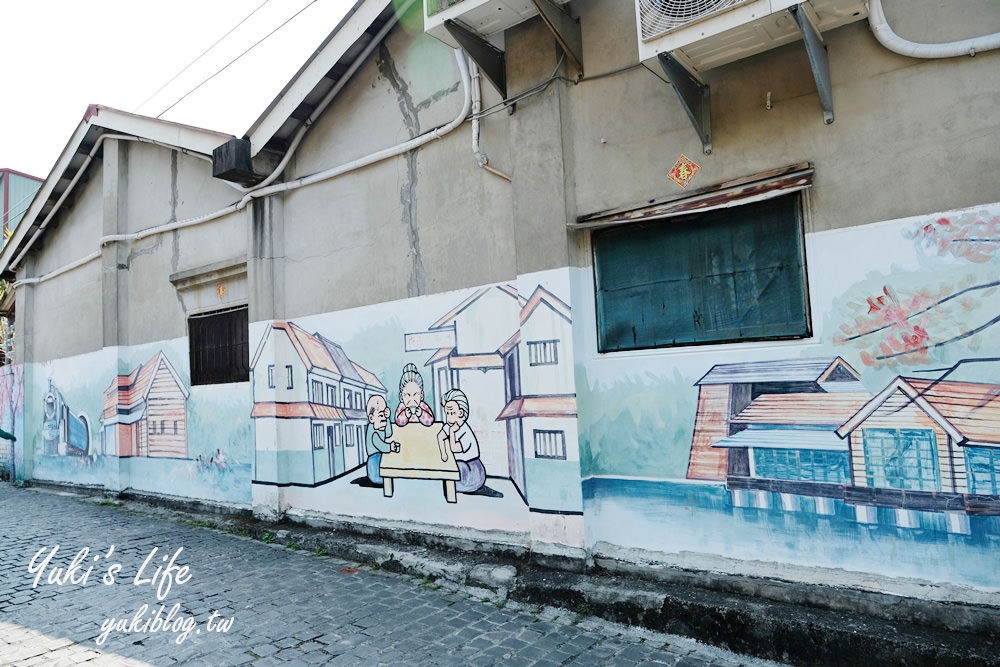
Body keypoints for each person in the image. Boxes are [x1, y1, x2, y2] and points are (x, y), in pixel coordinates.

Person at [437, 388, 485, 494]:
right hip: (461, 466)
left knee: (450, 479)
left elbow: (454, 448)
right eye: (447, 413)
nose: (449, 417)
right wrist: (443, 453)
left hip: (473, 471)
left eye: (452, 413)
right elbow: (440, 436)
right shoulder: (450, 425)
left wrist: (452, 433)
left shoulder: (465, 431)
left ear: (460, 412)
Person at [365, 395, 399, 486]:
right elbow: (380, 445)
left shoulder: (378, 425)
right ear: (371, 418)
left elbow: (388, 433)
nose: (383, 418)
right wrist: (390, 447)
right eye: (381, 415)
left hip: (379, 455)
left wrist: (388, 418)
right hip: (374, 462)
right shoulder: (373, 432)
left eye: (384, 415)